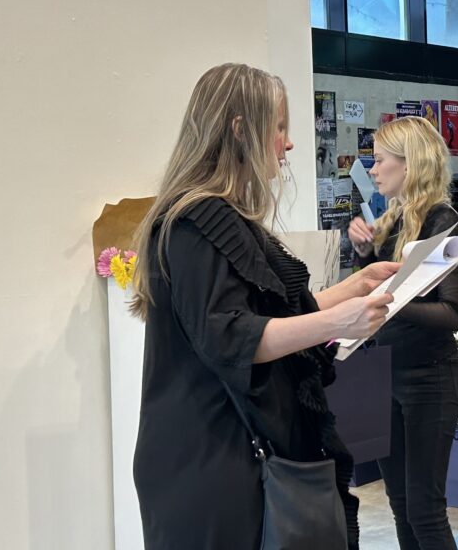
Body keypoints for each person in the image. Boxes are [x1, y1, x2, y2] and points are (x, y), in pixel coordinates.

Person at [130, 63, 397, 550]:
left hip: (227, 455)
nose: (288, 144)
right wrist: (337, 321)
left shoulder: (221, 218)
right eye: (278, 128)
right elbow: (231, 336)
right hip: (210, 462)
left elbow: (269, 313)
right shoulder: (195, 223)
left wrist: (354, 288)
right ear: (240, 130)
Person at [347, 116, 458, 550]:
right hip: (385, 375)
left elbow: (451, 313)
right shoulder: (390, 221)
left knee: (424, 510)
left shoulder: (441, 220)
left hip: (429, 378)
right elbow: (376, 296)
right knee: (400, 504)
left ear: (409, 163)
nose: (374, 170)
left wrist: (389, 300)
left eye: (380, 160)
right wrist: (364, 255)